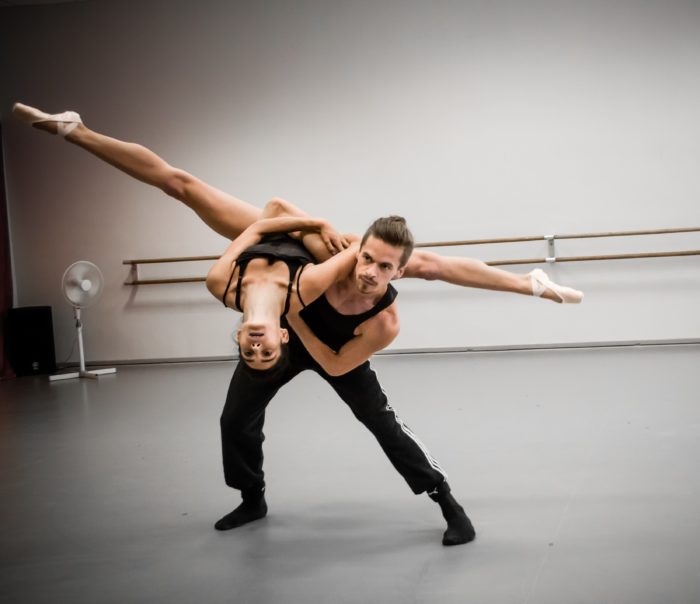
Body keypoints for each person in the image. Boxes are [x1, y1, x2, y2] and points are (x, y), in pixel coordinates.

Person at [13, 102, 583, 546]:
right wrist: (310, 235)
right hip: (281, 334)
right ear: (356, 248)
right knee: (234, 417)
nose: (371, 272)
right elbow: (272, 205)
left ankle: (445, 500)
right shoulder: (327, 252)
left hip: (333, 347)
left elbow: (440, 277)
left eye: (386, 267)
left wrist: (529, 284)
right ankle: (252, 496)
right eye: (367, 258)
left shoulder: (385, 318)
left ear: (398, 270)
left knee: (383, 425)